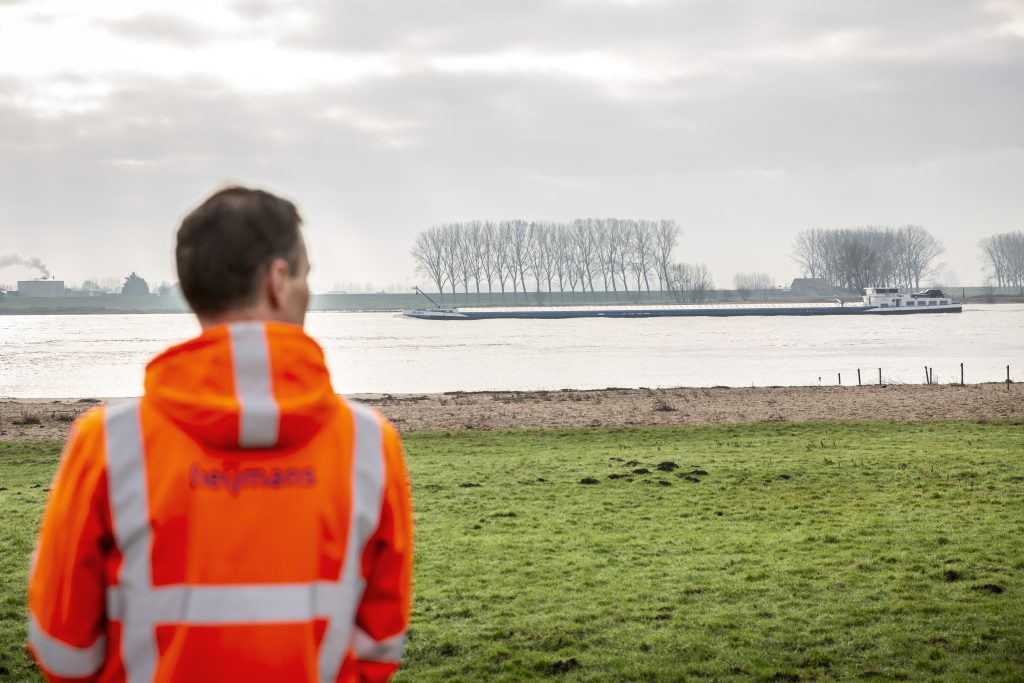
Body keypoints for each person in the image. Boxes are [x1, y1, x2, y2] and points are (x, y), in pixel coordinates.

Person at [27, 187, 413, 682]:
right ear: (278, 281)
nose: (307, 292)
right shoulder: (368, 444)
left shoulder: (108, 442)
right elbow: (380, 646)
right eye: (306, 276)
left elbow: (62, 650)